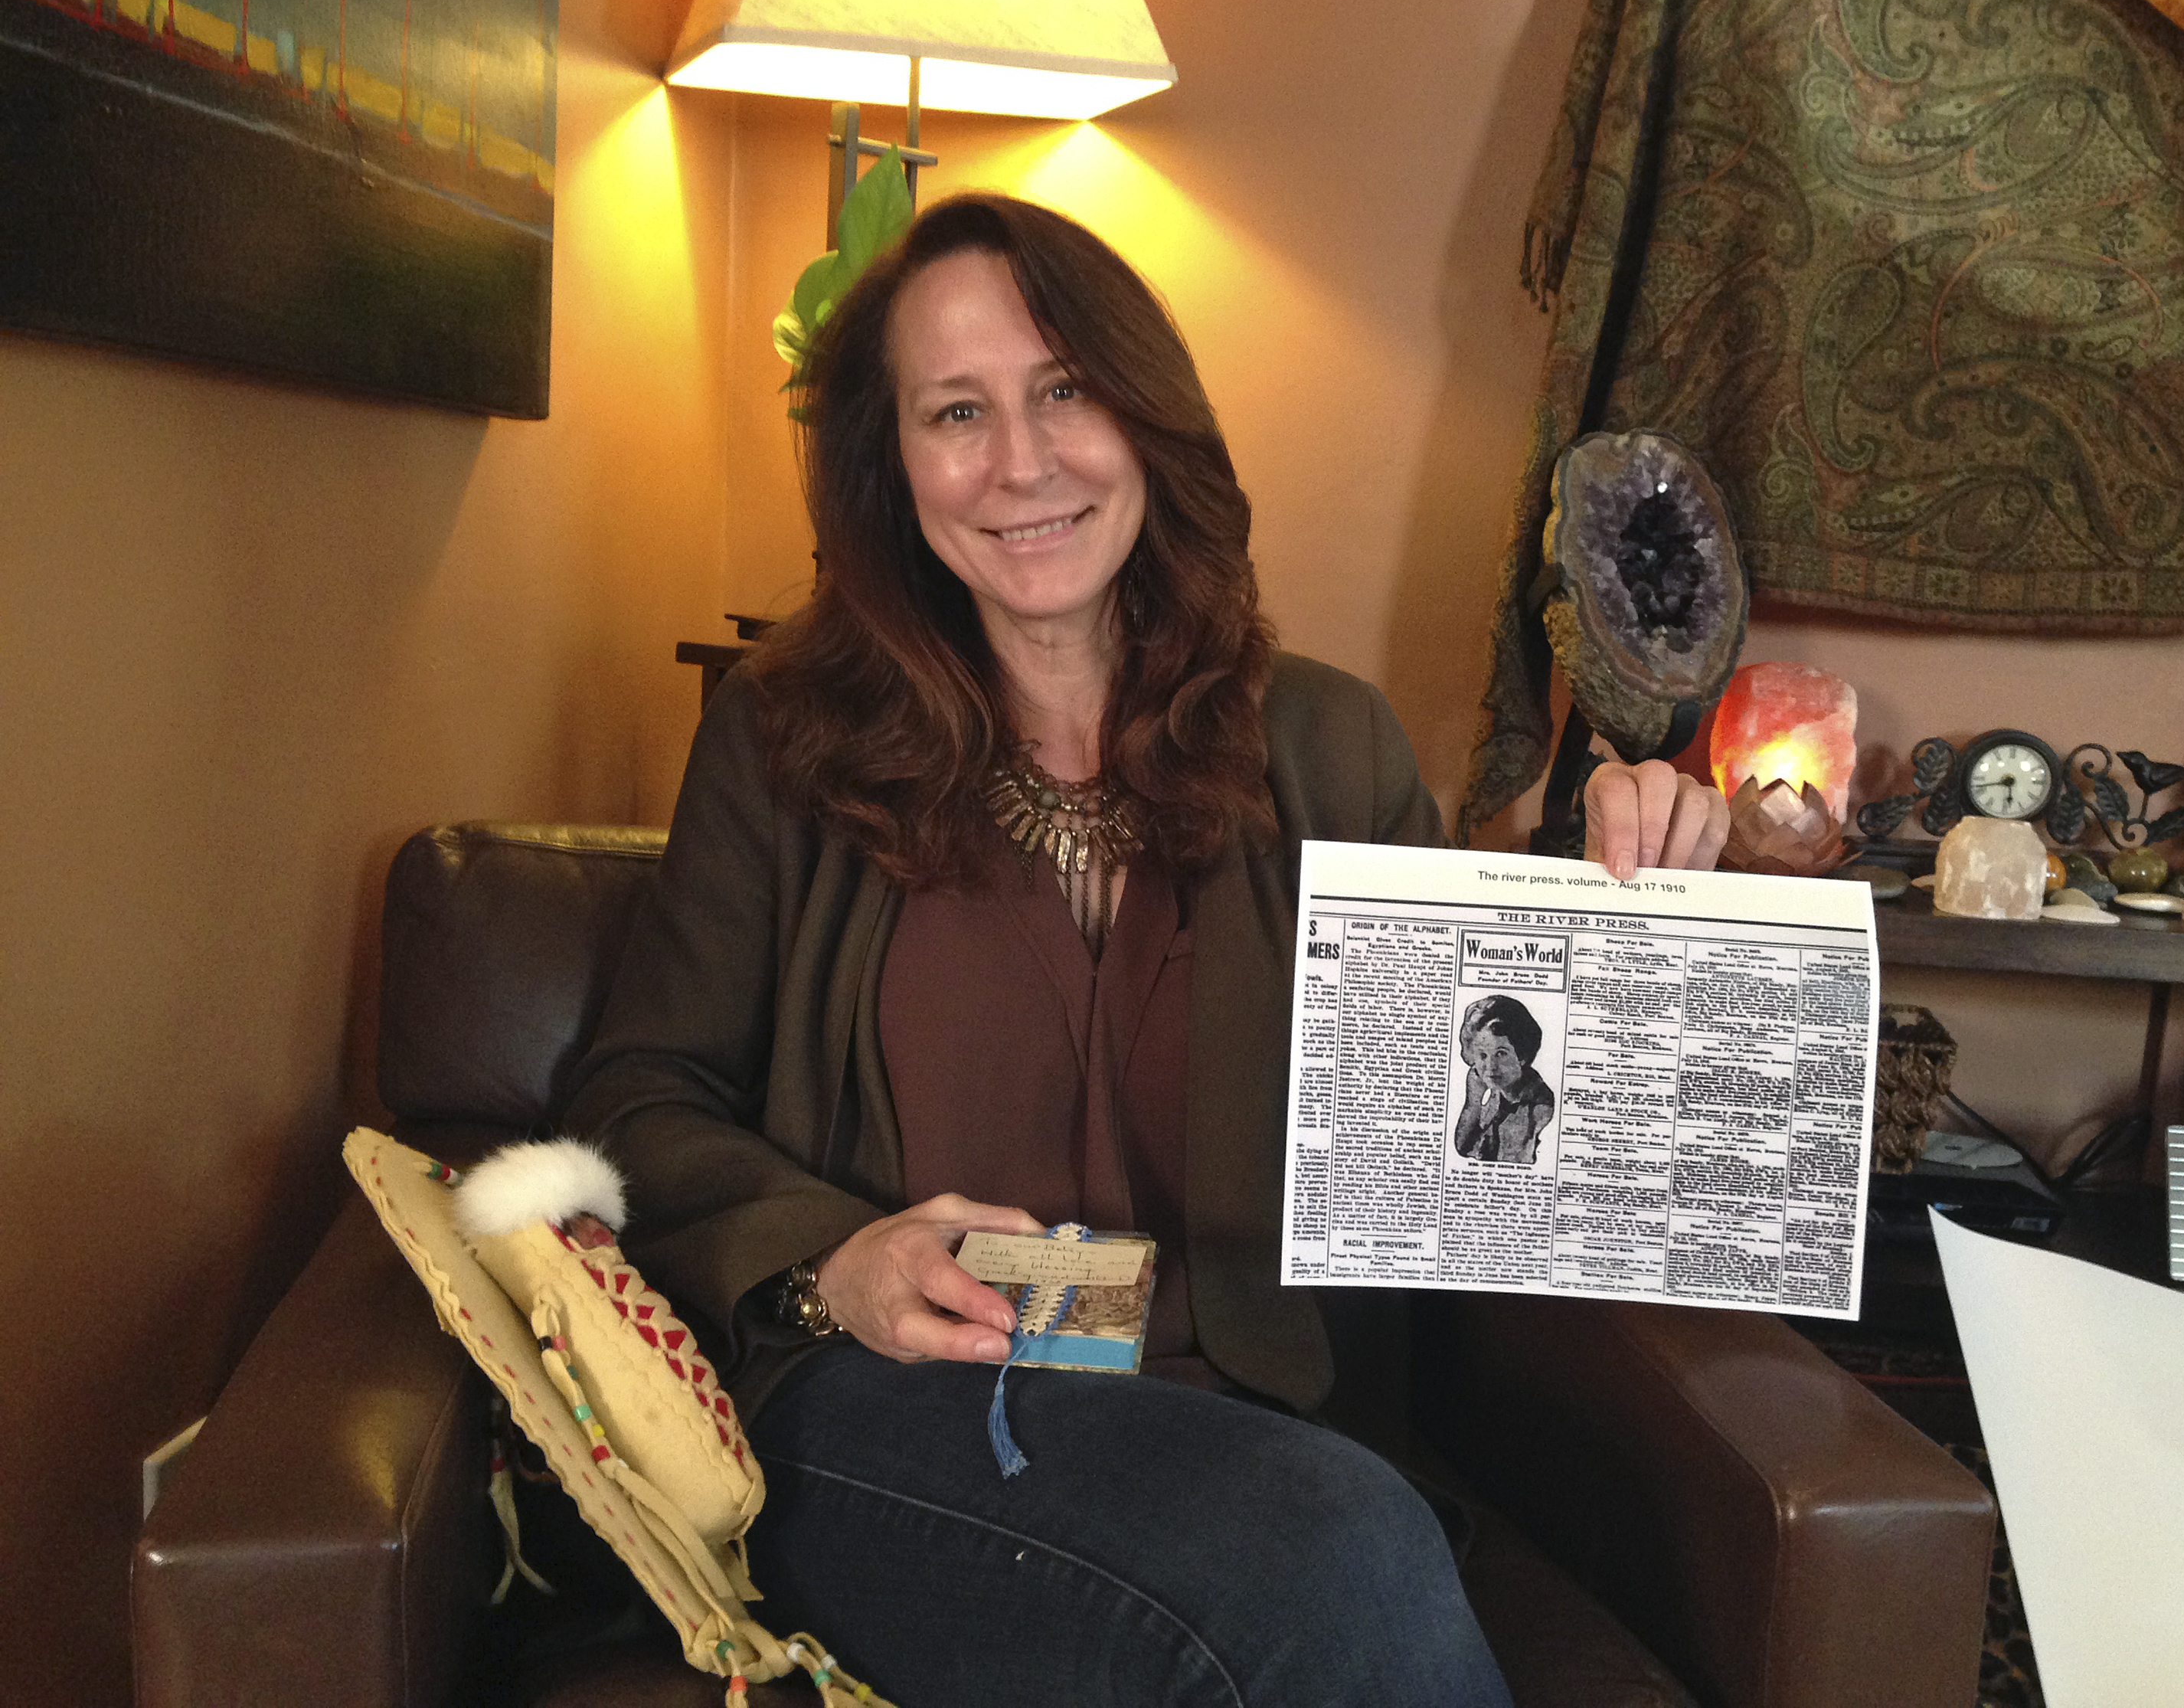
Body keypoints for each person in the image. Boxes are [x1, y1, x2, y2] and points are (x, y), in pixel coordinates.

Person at [562, 192, 1728, 1706]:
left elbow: (1485, 1136)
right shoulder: (783, 743)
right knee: (1336, 1548)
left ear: (1148, 420)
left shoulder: (1325, 742)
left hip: (1261, 1430)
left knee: (1316, 1543)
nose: (1023, 462)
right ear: (890, 464)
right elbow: (633, 1099)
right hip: (910, 1419)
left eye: (1066, 392)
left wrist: (1641, 905)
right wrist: (837, 1259)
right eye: (955, 412)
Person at [1453, 995, 1555, 1166]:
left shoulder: (1536, 1105)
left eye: (1501, 1054)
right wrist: (1473, 1102)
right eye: (1483, 1056)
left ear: (1522, 1055)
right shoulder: (1498, 1093)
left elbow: (1509, 1162)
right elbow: (1463, 1149)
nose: (1491, 1067)